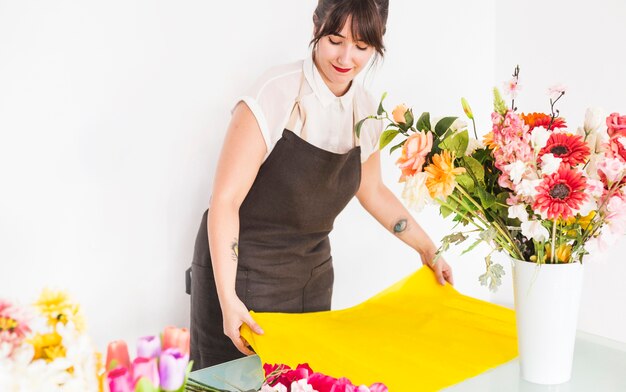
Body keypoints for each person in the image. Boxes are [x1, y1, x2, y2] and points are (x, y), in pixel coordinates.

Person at [188, 0, 454, 370]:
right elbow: (226, 201)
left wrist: (428, 249)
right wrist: (227, 297)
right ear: (316, 26)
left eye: (362, 47)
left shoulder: (367, 112)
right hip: (242, 274)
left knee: (305, 380)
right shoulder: (276, 93)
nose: (347, 57)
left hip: (310, 278)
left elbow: (372, 190)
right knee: (234, 379)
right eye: (335, 39)